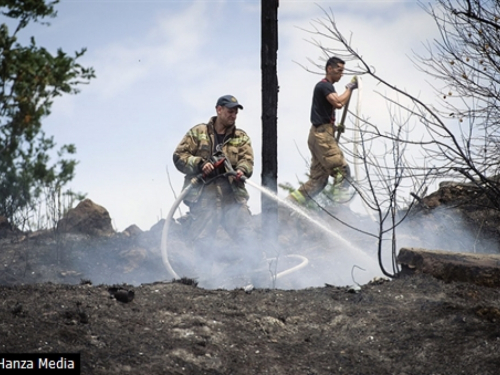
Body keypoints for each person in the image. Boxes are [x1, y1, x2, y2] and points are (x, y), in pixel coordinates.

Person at [173, 95, 266, 287]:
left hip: (232, 198)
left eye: (236, 112)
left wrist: (242, 170)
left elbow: (247, 160)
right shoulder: (198, 132)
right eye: (230, 111)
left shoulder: (241, 137)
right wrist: (200, 164)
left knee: (248, 236)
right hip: (204, 197)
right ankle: (201, 285)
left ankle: (262, 281)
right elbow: (179, 156)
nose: (234, 115)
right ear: (219, 110)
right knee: (202, 241)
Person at [288, 56, 358, 205]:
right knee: (342, 171)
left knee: (318, 181)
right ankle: (339, 209)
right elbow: (338, 103)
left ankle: (289, 205)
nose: (341, 74)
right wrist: (349, 88)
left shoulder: (326, 88)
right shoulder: (324, 86)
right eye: (339, 70)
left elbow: (328, 110)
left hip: (318, 134)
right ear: (329, 69)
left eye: (343, 71)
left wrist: (334, 127)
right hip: (321, 136)